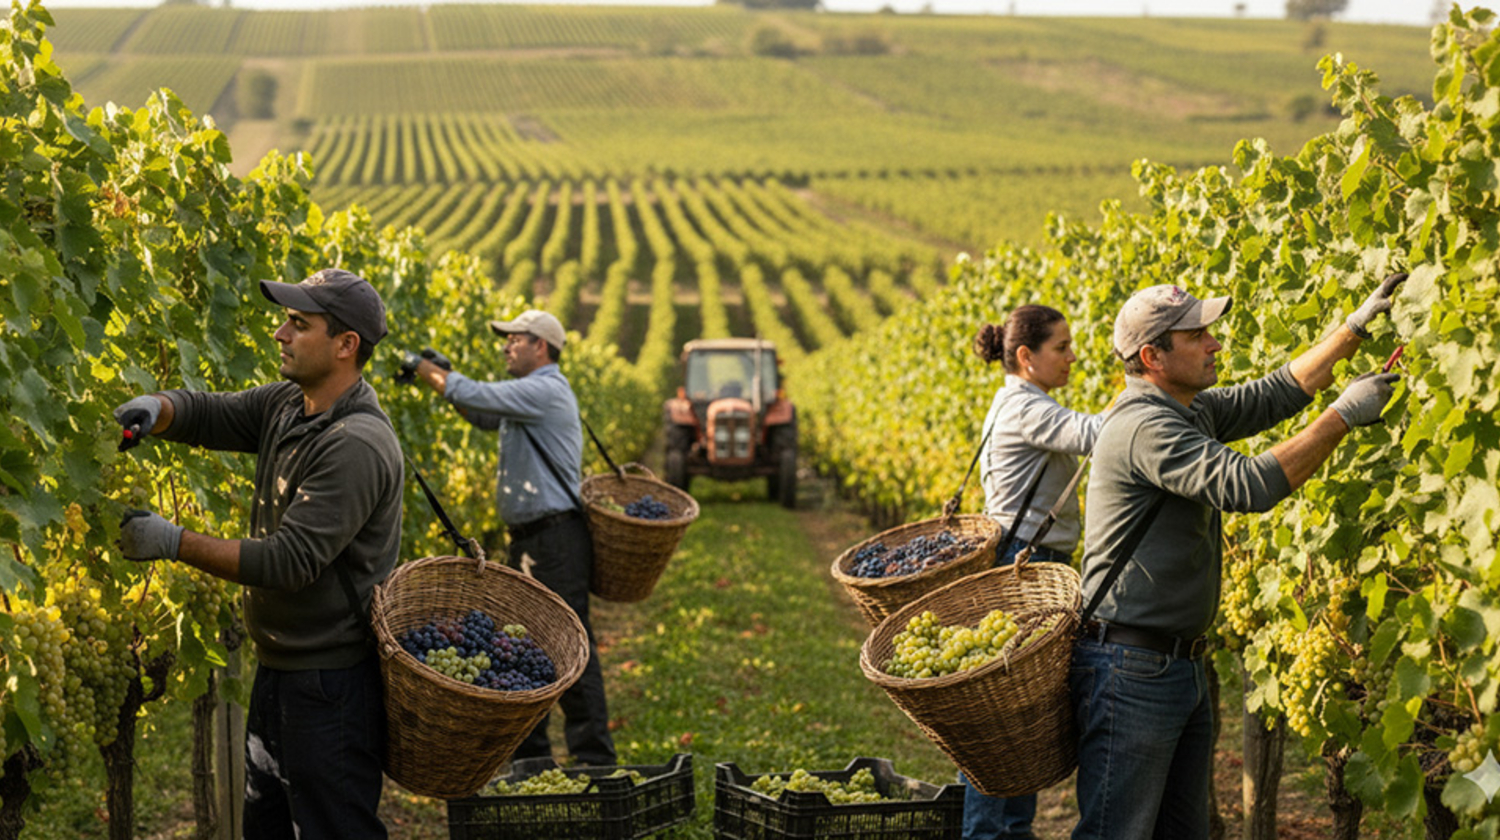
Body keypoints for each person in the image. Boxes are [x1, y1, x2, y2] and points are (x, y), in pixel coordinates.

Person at [1071, 275, 1405, 840]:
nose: (1215, 343)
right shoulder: (1145, 427)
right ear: (1152, 357)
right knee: (1115, 832)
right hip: (1130, 672)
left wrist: (1352, 331)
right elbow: (1248, 484)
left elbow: (1276, 392)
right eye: (1196, 335)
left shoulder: (1186, 408)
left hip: (1174, 665)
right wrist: (1343, 417)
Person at [113, 268, 403, 840]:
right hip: (281, 671)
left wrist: (173, 542)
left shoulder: (356, 445)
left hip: (331, 687)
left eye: (299, 324)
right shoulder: (290, 404)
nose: (280, 333)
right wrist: (157, 407)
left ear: (346, 345)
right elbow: (211, 413)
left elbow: (286, 562)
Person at [406, 309, 616, 767]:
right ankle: (533, 760)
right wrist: (444, 377)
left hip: (554, 542)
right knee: (527, 646)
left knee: (569, 645)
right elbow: (481, 413)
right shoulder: (527, 397)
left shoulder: (545, 388)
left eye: (514, 339)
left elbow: (476, 394)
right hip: (532, 542)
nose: (506, 346)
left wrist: (421, 367)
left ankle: (596, 761)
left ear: (540, 346)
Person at [963, 305, 1104, 840]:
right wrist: (1149, 397)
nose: (1072, 357)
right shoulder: (1025, 406)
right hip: (1028, 565)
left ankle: (1003, 830)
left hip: (1022, 559)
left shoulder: (1015, 400)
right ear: (1026, 356)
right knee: (1009, 720)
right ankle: (991, 833)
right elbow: (1092, 433)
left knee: (1015, 716)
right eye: (1061, 348)